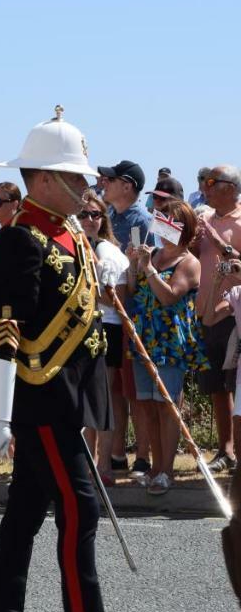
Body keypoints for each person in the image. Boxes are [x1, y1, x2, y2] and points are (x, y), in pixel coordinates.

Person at [0, 107, 145, 612]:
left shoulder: (70, 232)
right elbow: (3, 329)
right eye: (75, 178)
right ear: (44, 179)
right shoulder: (17, 241)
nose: (86, 187)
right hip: (41, 396)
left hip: (71, 391)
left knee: (24, 515)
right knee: (80, 510)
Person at [126, 199, 206, 495]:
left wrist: (148, 269)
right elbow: (135, 293)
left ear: (183, 228)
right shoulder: (154, 254)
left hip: (170, 341)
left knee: (167, 407)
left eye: (170, 221)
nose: (161, 226)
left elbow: (170, 296)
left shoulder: (188, 262)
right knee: (146, 407)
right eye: (160, 219)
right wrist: (135, 266)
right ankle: (156, 467)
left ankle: (167, 471)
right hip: (144, 338)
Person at [98, 159, 153, 476]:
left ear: (127, 185)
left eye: (111, 179)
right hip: (114, 319)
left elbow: (148, 268)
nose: (104, 184)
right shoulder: (112, 217)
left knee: (137, 393)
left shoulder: (141, 221)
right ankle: (117, 452)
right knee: (116, 391)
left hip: (135, 318)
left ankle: (143, 456)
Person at [189, 165, 241, 473]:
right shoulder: (205, 219)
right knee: (215, 387)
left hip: (232, 313)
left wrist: (217, 240)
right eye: (204, 182)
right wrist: (196, 240)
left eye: (211, 182)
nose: (205, 187)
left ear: (231, 187)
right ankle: (226, 450)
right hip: (205, 313)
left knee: (234, 384)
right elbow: (196, 258)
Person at [78, 190, 129, 486]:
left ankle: (104, 465)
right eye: (83, 214)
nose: (88, 220)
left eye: (94, 214)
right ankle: (90, 464)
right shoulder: (84, 246)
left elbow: (116, 300)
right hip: (87, 326)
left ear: (103, 219)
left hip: (105, 327)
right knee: (89, 400)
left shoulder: (106, 252)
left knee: (103, 400)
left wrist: (86, 285)